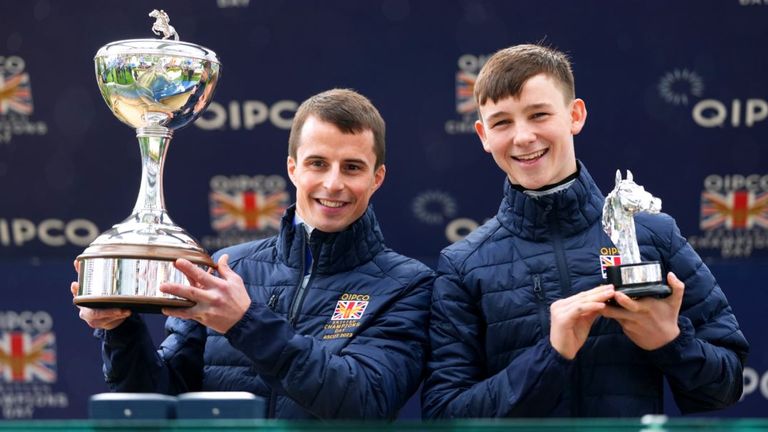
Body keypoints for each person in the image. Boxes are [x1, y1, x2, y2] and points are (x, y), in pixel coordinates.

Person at [421, 44, 749, 417]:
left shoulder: (654, 235)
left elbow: (727, 385)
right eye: (502, 123)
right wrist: (552, 354)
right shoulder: (463, 265)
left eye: (539, 114)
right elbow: (445, 416)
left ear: (574, 115)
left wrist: (669, 342)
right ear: (482, 134)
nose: (523, 136)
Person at [72, 88, 434, 420]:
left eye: (352, 167)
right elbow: (159, 400)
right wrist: (120, 328)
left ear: (378, 177)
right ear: (293, 168)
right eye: (317, 163)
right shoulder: (231, 268)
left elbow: (365, 403)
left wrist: (244, 322)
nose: (333, 183)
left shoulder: (408, 286)